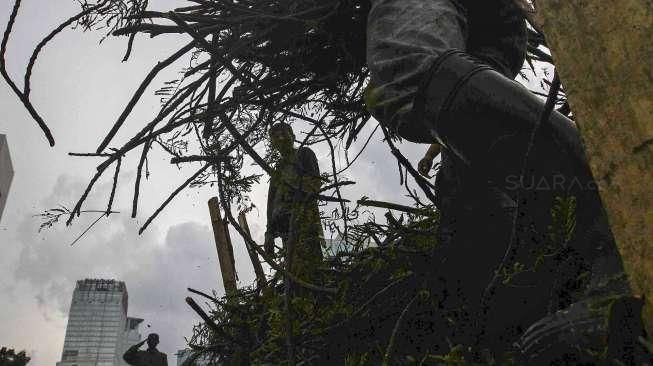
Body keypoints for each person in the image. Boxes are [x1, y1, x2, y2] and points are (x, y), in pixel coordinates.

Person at [366, 0, 631, 355]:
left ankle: (621, 245)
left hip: (477, 19)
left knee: (410, 69)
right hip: (487, 27)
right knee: (468, 157)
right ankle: (515, 311)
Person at [264, 122, 324, 282]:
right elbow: (271, 203)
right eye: (275, 137)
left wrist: (294, 190)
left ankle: (315, 298)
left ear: (293, 136)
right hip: (284, 224)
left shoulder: (304, 154)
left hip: (304, 220)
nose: (281, 138)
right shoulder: (278, 169)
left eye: (284, 134)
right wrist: (269, 233)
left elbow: (314, 184)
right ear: (273, 143)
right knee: (292, 269)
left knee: (310, 265)